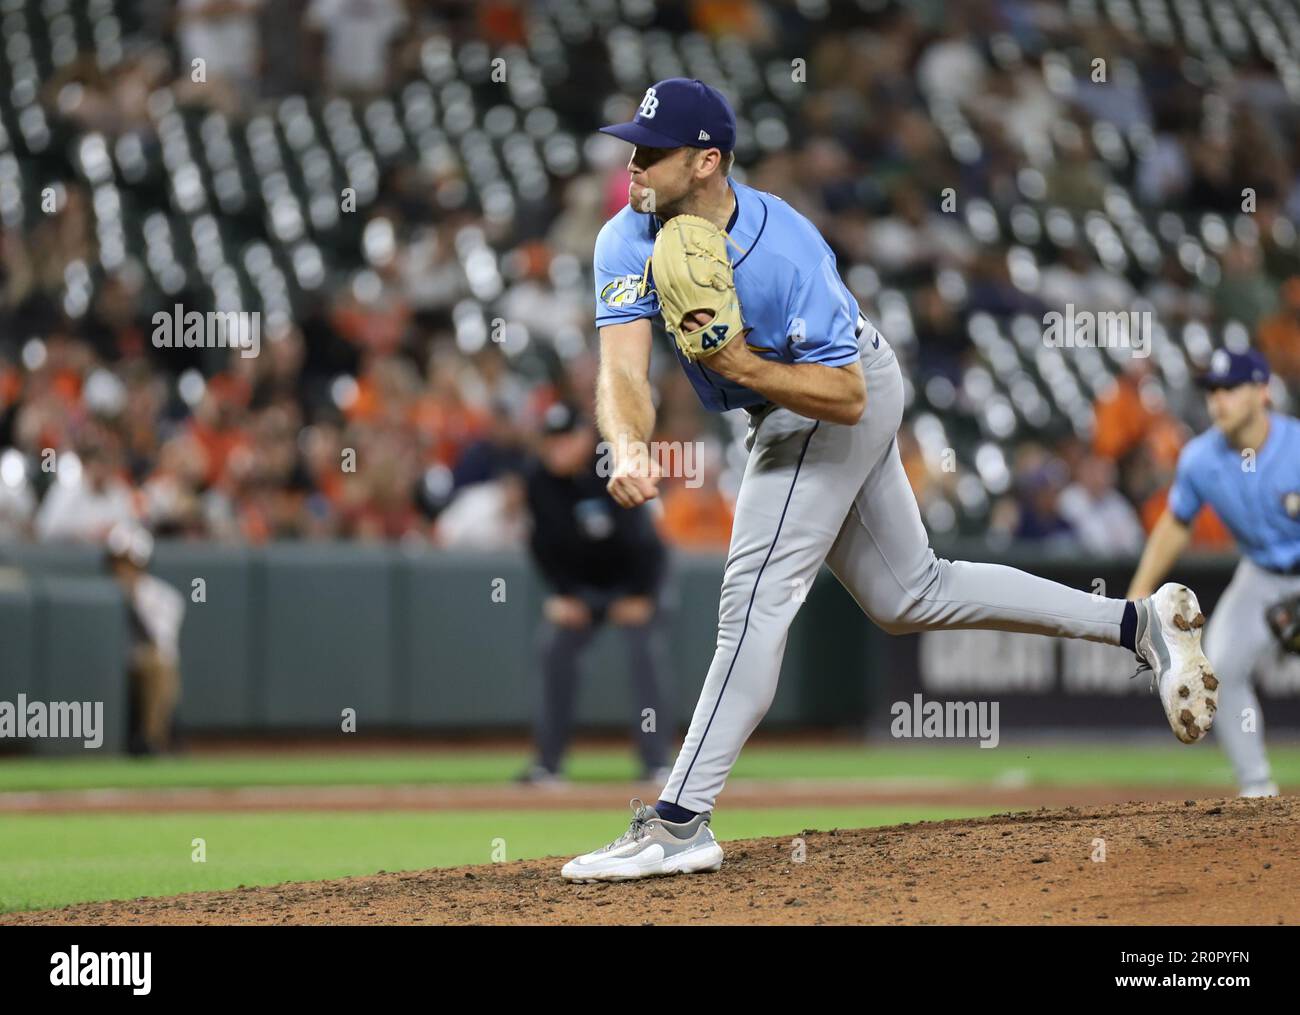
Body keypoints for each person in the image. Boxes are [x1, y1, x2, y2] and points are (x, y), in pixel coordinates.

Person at [562, 78, 1219, 883]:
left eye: (651, 152)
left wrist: (739, 364)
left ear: (707, 161)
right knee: (912, 594)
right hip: (781, 404)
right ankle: (1136, 623)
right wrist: (629, 445)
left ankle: (680, 819)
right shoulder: (624, 238)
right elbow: (622, 367)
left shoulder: (786, 245)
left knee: (754, 599)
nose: (632, 163)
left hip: (830, 393)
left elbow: (848, 395)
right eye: (631, 145)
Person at [1128, 349, 1300, 798]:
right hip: (1261, 575)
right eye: (1211, 390)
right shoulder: (1200, 459)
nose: (1218, 399)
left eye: (1230, 388)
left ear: (1262, 391)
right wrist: (1142, 585)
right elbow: (1176, 522)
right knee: (1217, 670)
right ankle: (1258, 790)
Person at [519, 402, 672, 785]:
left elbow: (649, 543)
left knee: (646, 654)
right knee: (553, 649)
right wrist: (562, 594)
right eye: (551, 441)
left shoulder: (614, 466)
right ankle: (547, 766)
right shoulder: (538, 479)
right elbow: (541, 544)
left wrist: (641, 596)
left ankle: (657, 765)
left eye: (565, 439)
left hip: (633, 582)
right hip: (580, 590)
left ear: (586, 439)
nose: (557, 449)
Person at [105, 524, 186, 756]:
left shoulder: (164, 596)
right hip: (106, 662)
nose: (123, 570)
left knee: (160, 664)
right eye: (119, 562)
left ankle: (150, 741)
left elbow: (163, 646)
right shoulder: (102, 592)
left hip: (142, 662)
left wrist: (132, 602)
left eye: (130, 563)